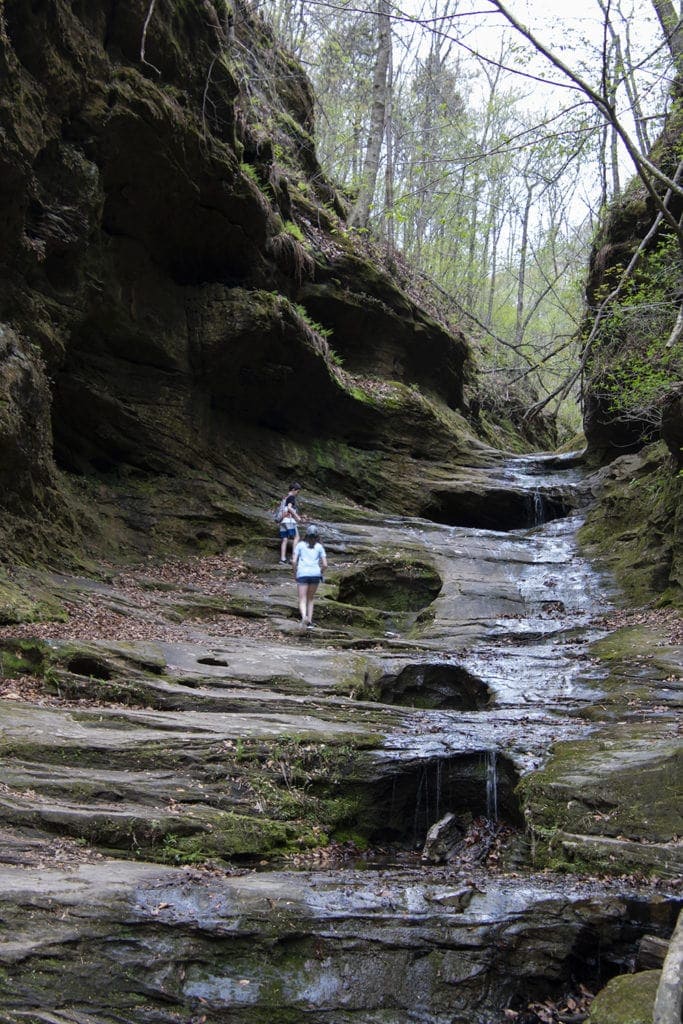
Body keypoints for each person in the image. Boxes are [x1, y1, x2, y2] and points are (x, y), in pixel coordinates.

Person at [292, 524, 327, 628]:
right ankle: (310, 622)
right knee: (310, 598)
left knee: (302, 598)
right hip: (315, 574)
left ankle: (304, 617)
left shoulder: (300, 545)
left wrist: (295, 573)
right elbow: (325, 565)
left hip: (302, 573)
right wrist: (320, 572)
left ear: (306, 534)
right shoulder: (319, 547)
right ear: (317, 536)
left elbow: (294, 561)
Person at [279, 482, 303, 564]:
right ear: (293, 490)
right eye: (297, 491)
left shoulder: (285, 497)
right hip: (289, 520)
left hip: (283, 521)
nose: (297, 493)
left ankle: (282, 559)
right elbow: (289, 508)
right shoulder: (291, 497)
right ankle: (293, 558)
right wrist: (297, 516)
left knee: (284, 539)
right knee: (296, 537)